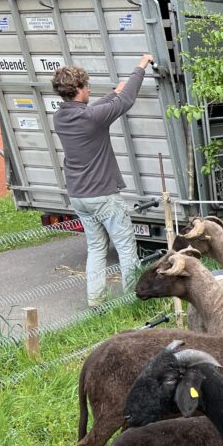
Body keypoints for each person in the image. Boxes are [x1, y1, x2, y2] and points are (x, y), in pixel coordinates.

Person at [52, 54, 155, 307]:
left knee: (97, 248)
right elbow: (127, 99)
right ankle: (134, 300)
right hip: (103, 196)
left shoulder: (61, 117)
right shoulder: (91, 118)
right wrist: (140, 65)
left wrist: (112, 93)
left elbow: (95, 109)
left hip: (79, 196)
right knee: (126, 248)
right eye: (87, 86)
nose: (89, 89)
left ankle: (95, 301)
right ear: (78, 89)